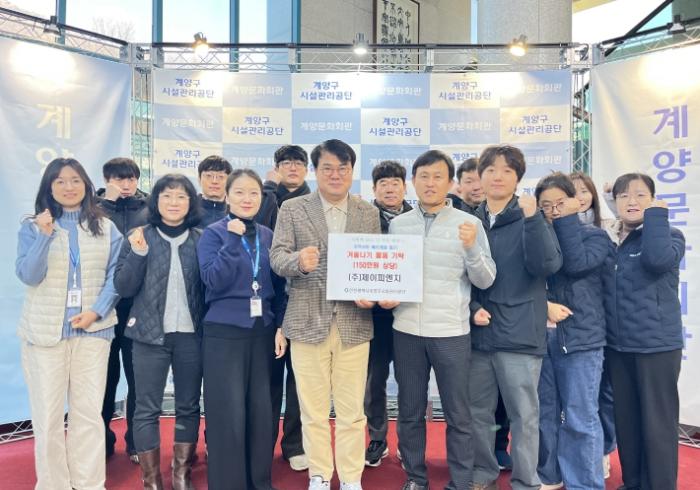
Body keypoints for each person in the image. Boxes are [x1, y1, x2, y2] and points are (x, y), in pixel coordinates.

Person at [270, 139, 381, 490]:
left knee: (352, 412)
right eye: (328, 168)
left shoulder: (367, 212)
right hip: (306, 322)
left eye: (342, 168)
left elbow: (375, 266)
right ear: (315, 171)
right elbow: (277, 258)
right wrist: (298, 262)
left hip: (354, 323)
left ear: (352, 171)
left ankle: (350, 478)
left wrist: (371, 295)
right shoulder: (292, 208)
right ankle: (319, 474)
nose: (335, 174)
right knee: (313, 410)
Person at [389, 150, 496, 490]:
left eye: (438, 177)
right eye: (423, 176)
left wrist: (471, 248)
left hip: (451, 332)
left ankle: (461, 480)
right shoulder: (398, 224)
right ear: (414, 181)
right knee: (409, 411)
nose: (430, 183)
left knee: (458, 414)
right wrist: (386, 296)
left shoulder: (469, 224)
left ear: (450, 183)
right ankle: (415, 477)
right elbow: (390, 275)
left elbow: (486, 280)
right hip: (406, 330)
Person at [16, 157, 122, 490]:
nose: (69, 187)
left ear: (86, 185)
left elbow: (117, 276)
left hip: (93, 332)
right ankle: (53, 484)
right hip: (45, 334)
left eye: (75, 180)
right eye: (60, 181)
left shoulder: (106, 227)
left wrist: (97, 311)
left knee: (88, 414)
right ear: (49, 187)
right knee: (47, 416)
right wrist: (45, 236)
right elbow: (29, 275)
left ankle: (89, 483)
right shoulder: (33, 227)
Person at [468, 145, 562, 490]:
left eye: (507, 170)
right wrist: (471, 309)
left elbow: (547, 265)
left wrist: (534, 219)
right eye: (491, 170)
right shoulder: (468, 220)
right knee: (478, 414)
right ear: (480, 176)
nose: (498, 176)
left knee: (524, 416)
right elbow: (457, 277)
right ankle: (483, 474)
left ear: (518, 178)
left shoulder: (529, 217)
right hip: (478, 336)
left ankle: (526, 481)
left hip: (520, 335)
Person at [198, 169, 287, 490]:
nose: (247, 199)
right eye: (239, 192)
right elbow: (213, 280)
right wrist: (233, 241)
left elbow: (280, 286)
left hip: (263, 333)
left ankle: (259, 481)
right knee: (228, 415)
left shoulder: (267, 235)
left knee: (262, 414)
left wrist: (280, 325)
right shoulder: (213, 234)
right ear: (226, 196)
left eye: (253, 193)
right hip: (224, 334)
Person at [114, 174, 204, 490]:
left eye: (181, 196)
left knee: (188, 406)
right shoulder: (138, 236)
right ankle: (151, 479)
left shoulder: (202, 239)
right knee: (147, 408)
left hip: (192, 337)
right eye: (167, 196)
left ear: (191, 202)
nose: (173, 202)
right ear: (156, 201)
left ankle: (181, 474)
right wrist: (138, 254)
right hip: (148, 337)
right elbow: (123, 288)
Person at [604, 173, 685, 490]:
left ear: (653, 200)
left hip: (657, 347)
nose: (631, 201)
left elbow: (656, 261)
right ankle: (634, 483)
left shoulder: (669, 235)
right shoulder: (612, 240)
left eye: (640, 195)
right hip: (618, 347)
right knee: (627, 423)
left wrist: (657, 217)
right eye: (623, 195)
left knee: (658, 426)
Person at [534, 173, 613, 490]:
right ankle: (549, 475)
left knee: (581, 417)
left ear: (576, 202)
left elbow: (575, 264)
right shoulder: (535, 236)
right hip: (539, 339)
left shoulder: (595, 237)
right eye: (546, 205)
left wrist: (566, 221)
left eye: (560, 203)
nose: (553, 210)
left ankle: (585, 483)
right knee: (545, 414)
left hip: (581, 339)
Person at [97, 157, 149, 463]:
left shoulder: (149, 207)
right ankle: (101, 440)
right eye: (119, 179)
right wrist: (107, 202)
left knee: (138, 377)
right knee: (103, 379)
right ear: (107, 180)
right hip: (103, 306)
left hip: (137, 306)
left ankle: (136, 442)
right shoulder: (94, 208)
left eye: (131, 178)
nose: (126, 184)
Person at [364, 160, 413, 468]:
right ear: (374, 189)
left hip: (409, 314)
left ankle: (409, 443)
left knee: (410, 382)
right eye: (383, 183)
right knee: (374, 381)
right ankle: (377, 438)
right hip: (372, 316)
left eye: (395, 183)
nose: (390, 188)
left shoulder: (417, 219)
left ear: (405, 187)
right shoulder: (363, 218)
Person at [265, 145, 310, 472]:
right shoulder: (264, 199)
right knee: (268, 380)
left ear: (307, 169)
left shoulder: (314, 202)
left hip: (305, 302)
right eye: (286, 163)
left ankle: (294, 444)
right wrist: (268, 189)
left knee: (300, 383)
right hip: (267, 302)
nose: (292, 168)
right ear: (277, 168)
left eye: (298, 163)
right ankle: (263, 443)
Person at [570, 171, 616, 479]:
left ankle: (603, 451)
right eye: (573, 191)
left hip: (607, 321)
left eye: (585, 191)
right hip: (576, 327)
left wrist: (612, 199)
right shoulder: (556, 228)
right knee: (583, 400)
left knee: (604, 396)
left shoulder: (607, 227)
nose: (580, 197)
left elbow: (630, 221)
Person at [197, 155, 232, 228]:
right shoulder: (188, 209)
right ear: (199, 180)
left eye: (221, 177)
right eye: (208, 176)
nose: (214, 181)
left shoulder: (235, 213)